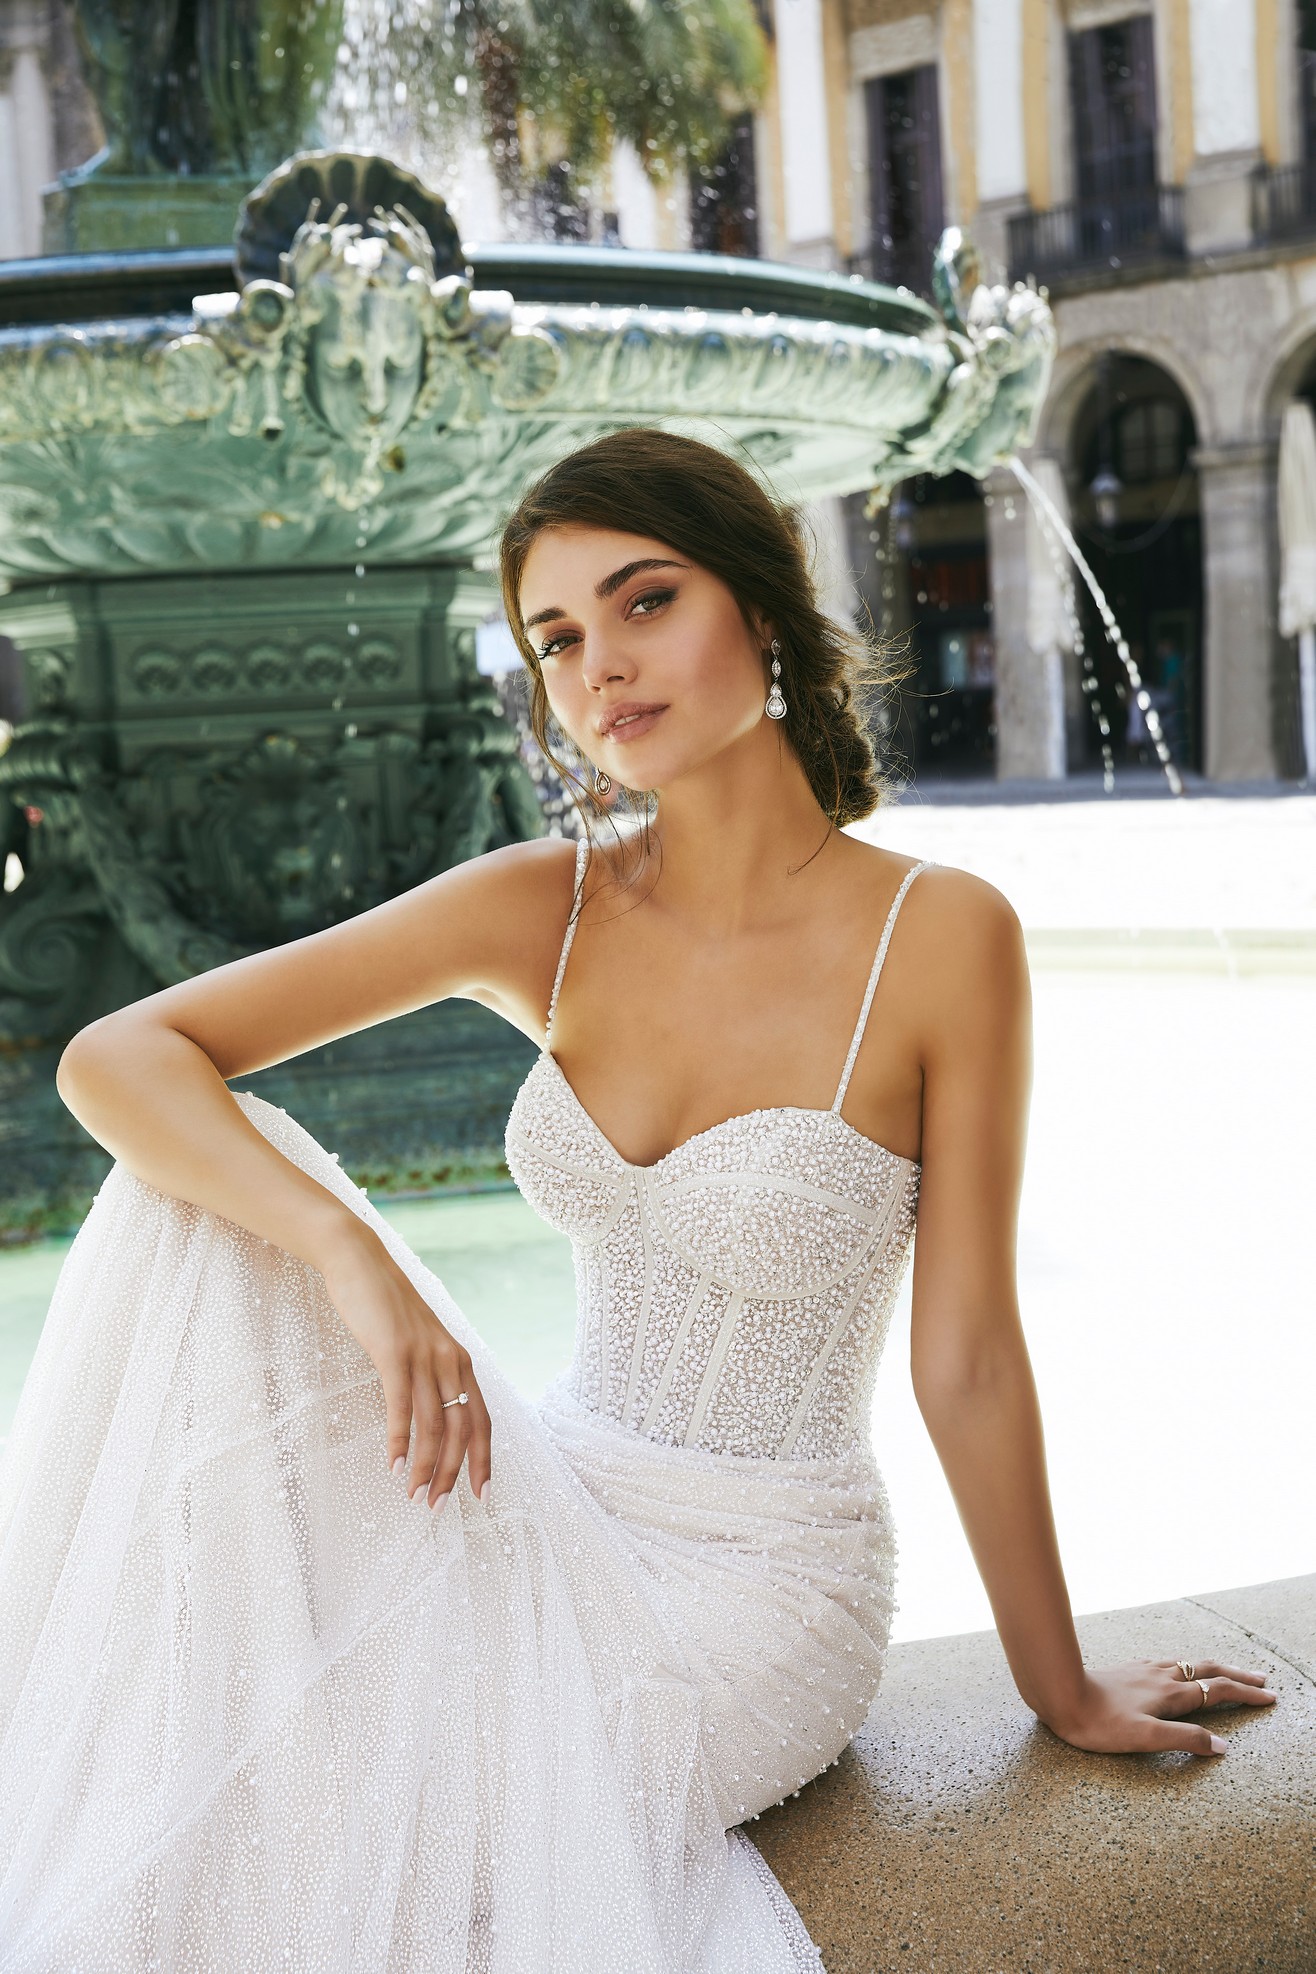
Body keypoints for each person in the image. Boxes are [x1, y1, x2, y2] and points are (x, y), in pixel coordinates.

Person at [0, 429, 1275, 1971]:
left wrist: (1058, 1682)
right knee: (196, 1218)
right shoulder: (550, 903)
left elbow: (971, 1359)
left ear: (760, 602)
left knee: (349, 1807)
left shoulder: (940, 935)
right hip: (546, 1486)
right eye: (557, 638)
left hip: (762, 1575)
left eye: (644, 601)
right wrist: (354, 1255)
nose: (599, 665)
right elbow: (118, 1055)